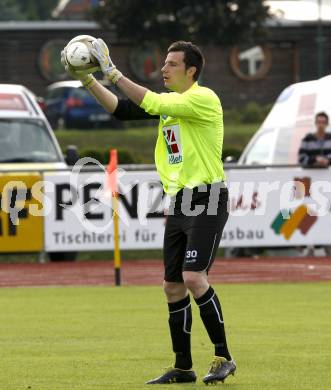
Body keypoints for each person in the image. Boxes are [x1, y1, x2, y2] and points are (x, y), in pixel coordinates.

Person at [61, 39, 236, 385]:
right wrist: (87, 80)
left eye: (172, 64)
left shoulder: (203, 98)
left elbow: (148, 100)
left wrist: (112, 72)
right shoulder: (170, 105)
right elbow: (121, 109)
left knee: (192, 278)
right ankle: (183, 366)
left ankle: (223, 357)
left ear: (191, 71)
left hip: (208, 198)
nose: (163, 69)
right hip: (179, 202)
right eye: (164, 63)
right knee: (172, 286)